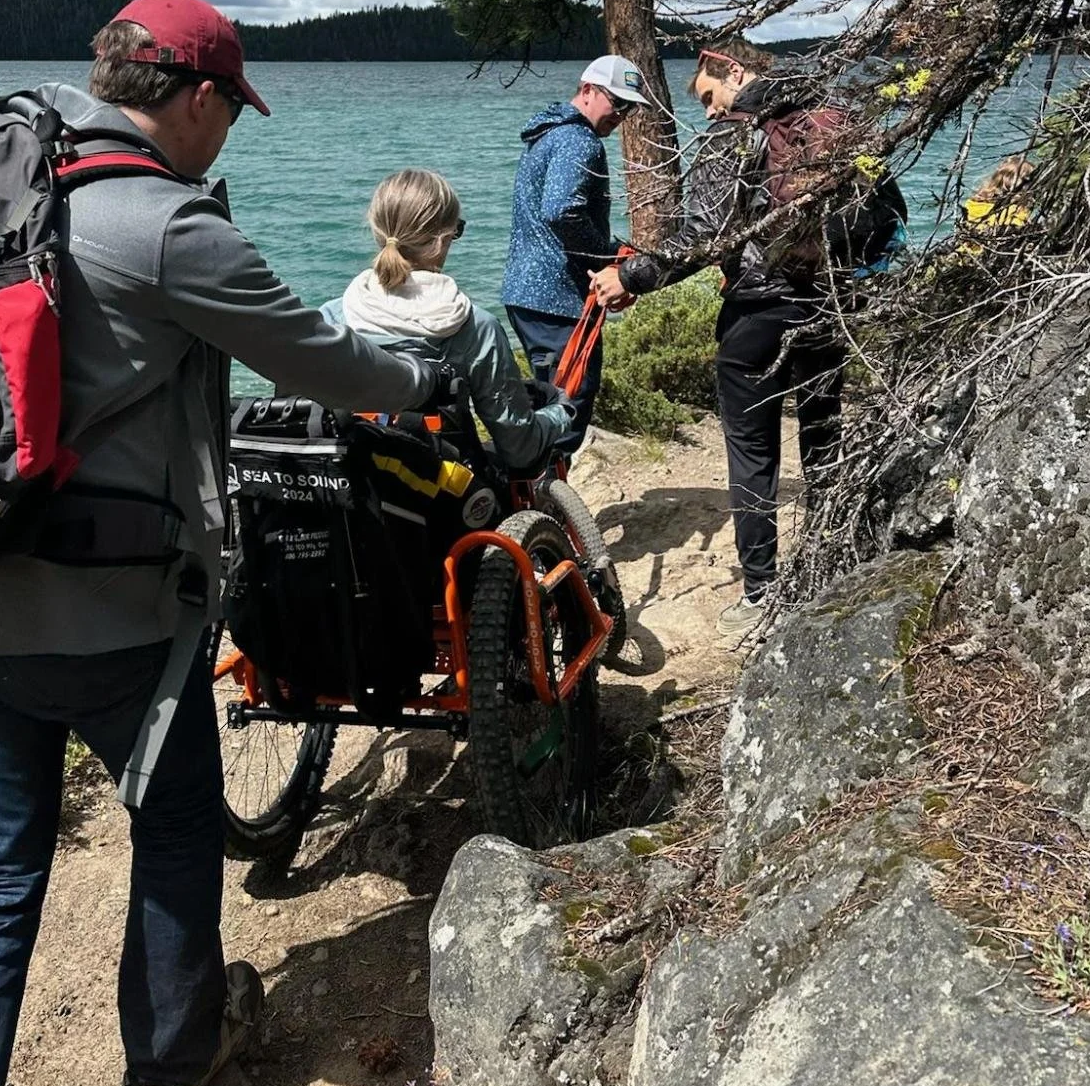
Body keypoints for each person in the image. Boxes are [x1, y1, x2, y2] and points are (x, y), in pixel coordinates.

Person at [0, 0, 447, 1086]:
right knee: (175, 819)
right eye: (231, 109)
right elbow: (329, 362)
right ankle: (173, 1064)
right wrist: (429, 378)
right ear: (194, 96)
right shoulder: (170, 224)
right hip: (103, 621)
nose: (227, 133)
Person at [590, 42, 845, 643]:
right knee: (823, 434)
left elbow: (704, 233)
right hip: (829, 303)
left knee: (752, 453)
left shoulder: (735, 135)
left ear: (732, 68)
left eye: (709, 95)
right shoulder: (831, 118)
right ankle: (835, 566)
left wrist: (631, 277)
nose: (708, 110)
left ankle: (761, 593)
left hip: (757, 312)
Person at [323, 168, 574, 470]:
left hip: (354, 476)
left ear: (377, 230)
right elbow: (518, 447)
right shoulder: (476, 328)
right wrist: (560, 413)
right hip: (445, 485)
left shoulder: (332, 317)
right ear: (443, 240)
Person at [501, 55, 650, 450]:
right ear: (587, 90)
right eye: (617, 102)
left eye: (630, 107)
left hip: (527, 292)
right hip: (556, 298)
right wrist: (608, 256)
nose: (622, 114)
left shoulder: (550, 132)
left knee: (548, 403)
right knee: (567, 406)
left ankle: (541, 483)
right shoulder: (579, 140)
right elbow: (561, 211)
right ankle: (549, 488)